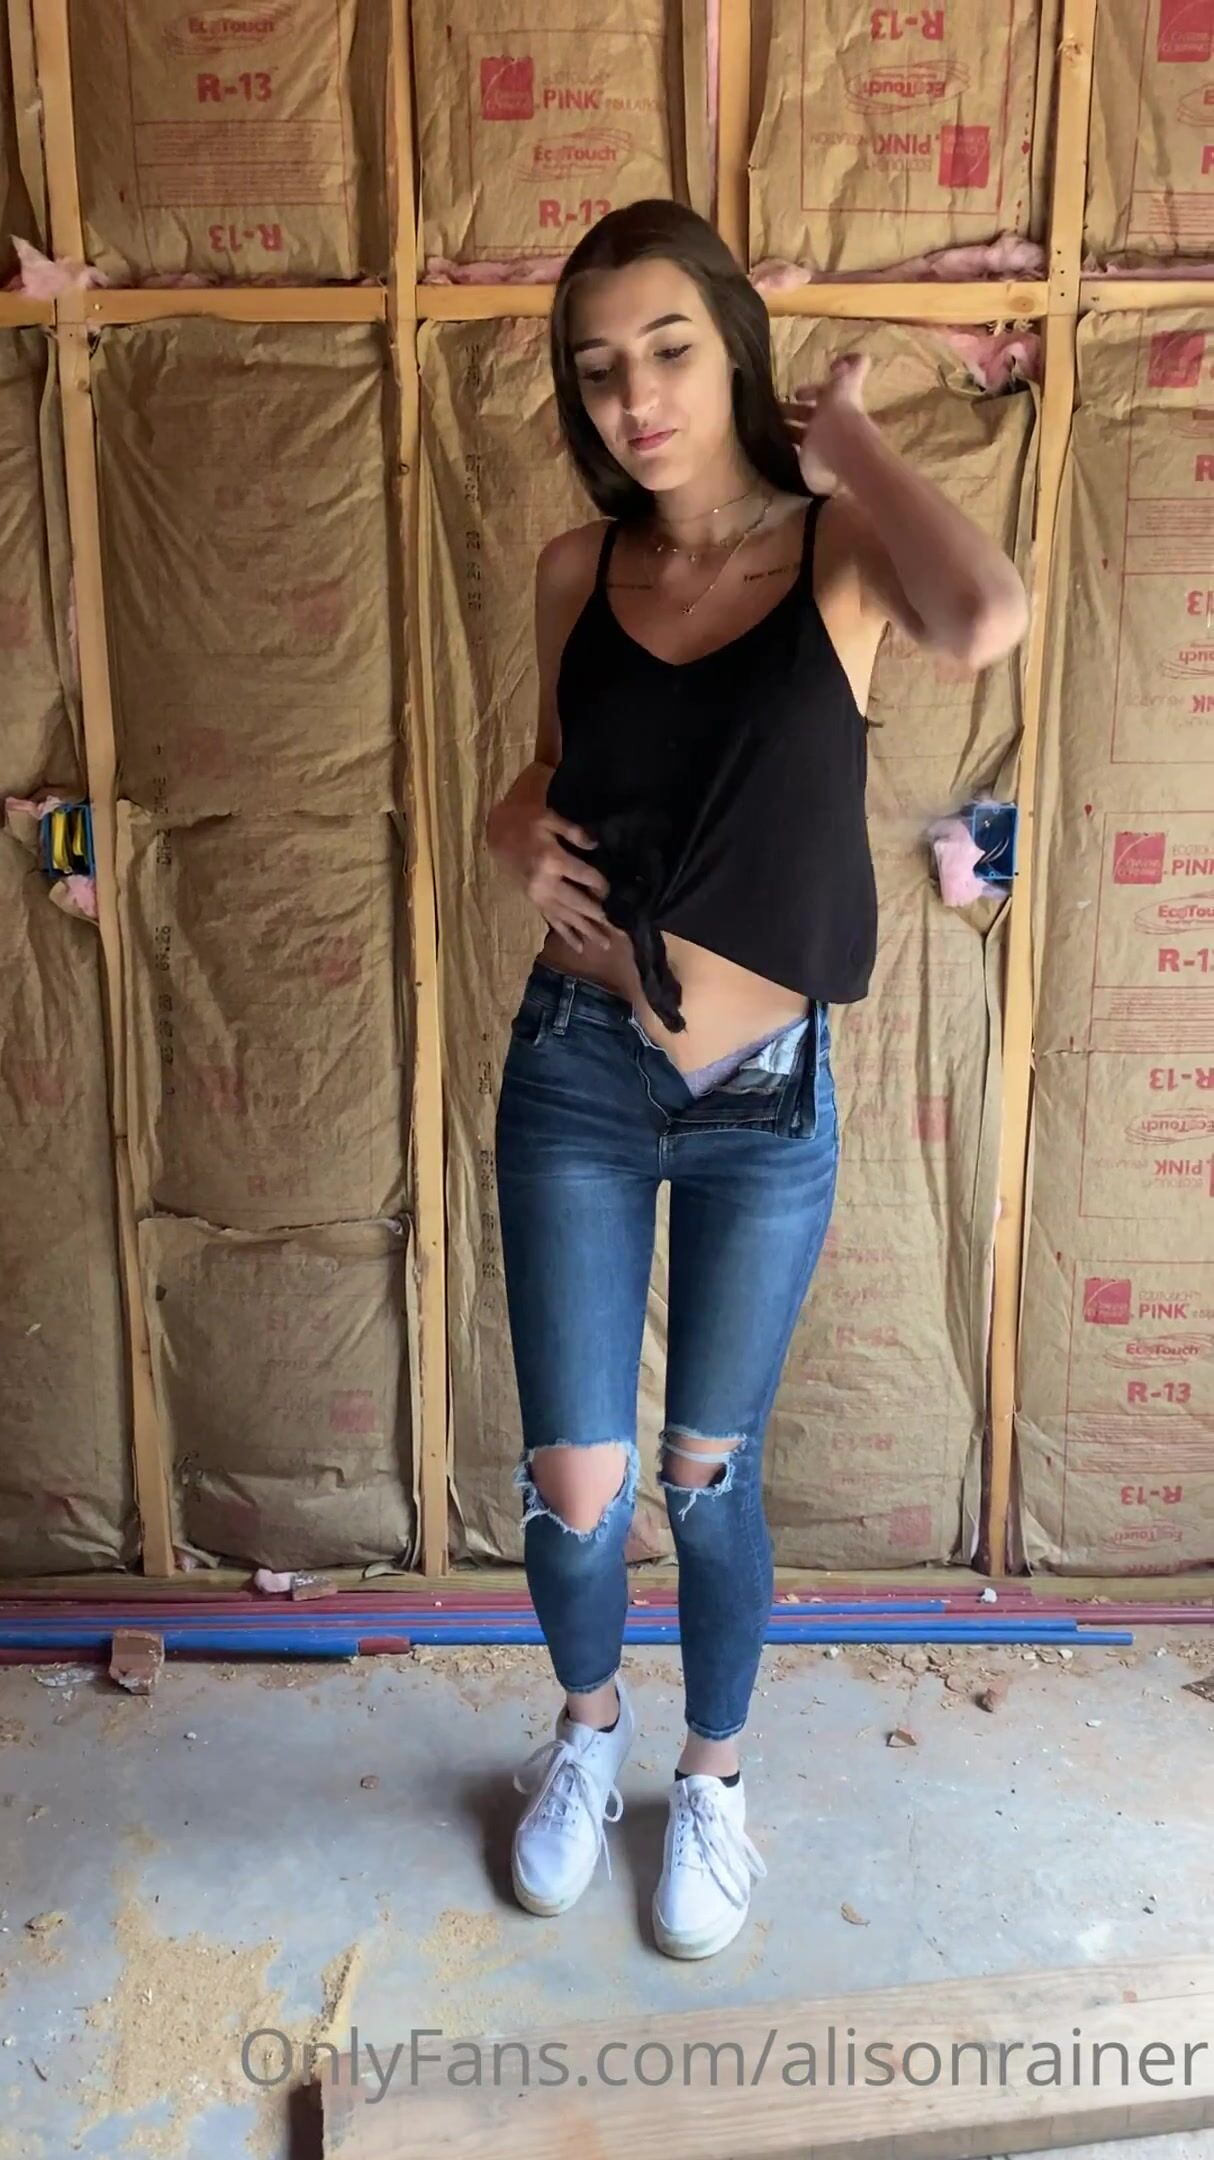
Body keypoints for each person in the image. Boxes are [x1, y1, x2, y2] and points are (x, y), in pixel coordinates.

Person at [484, 199, 1028, 1959]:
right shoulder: (575, 572)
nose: (634, 398)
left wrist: (846, 435)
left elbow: (985, 615)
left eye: (667, 350)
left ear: (729, 347)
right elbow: (557, 772)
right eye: (597, 371)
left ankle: (710, 1778)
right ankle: (584, 1736)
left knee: (706, 1478)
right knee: (577, 1489)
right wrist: (507, 823)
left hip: (764, 1099)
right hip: (577, 1070)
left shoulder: (838, 553)